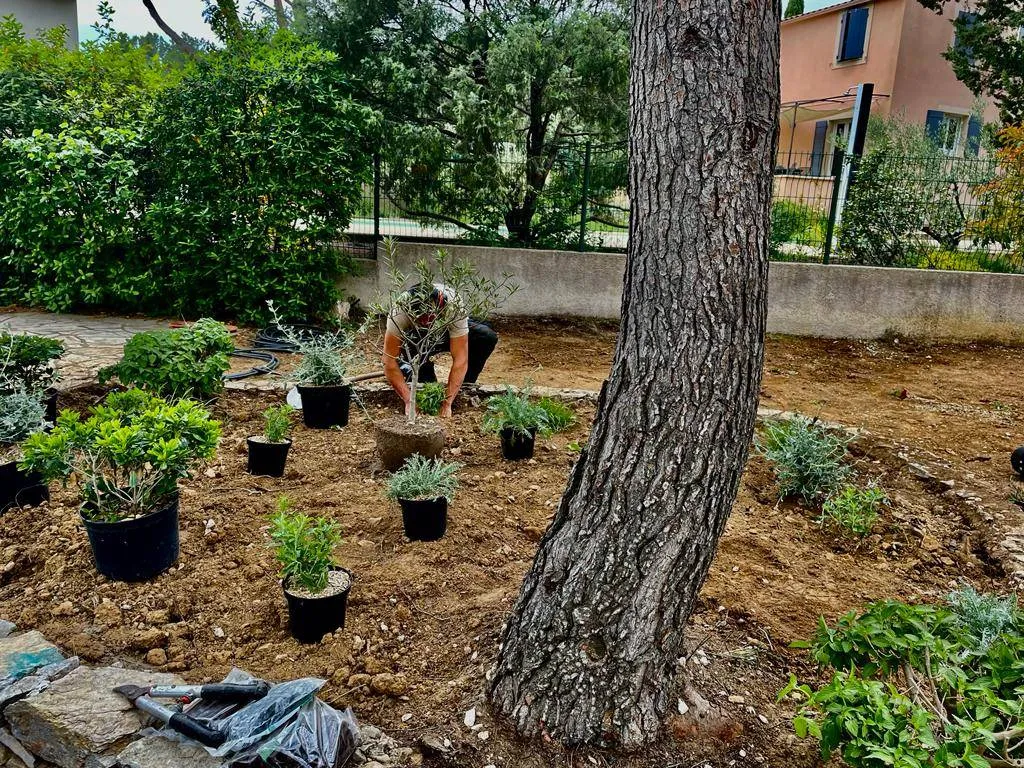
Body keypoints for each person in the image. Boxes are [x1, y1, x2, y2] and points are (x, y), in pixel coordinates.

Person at [381, 283, 498, 418]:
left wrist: (448, 403)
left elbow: (461, 358)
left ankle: (464, 387)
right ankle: (425, 381)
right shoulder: (399, 311)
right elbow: (388, 361)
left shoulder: (453, 306)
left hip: (446, 330)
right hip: (417, 338)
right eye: (422, 318)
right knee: (424, 379)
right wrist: (408, 400)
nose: (427, 321)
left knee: (486, 336)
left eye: (430, 317)